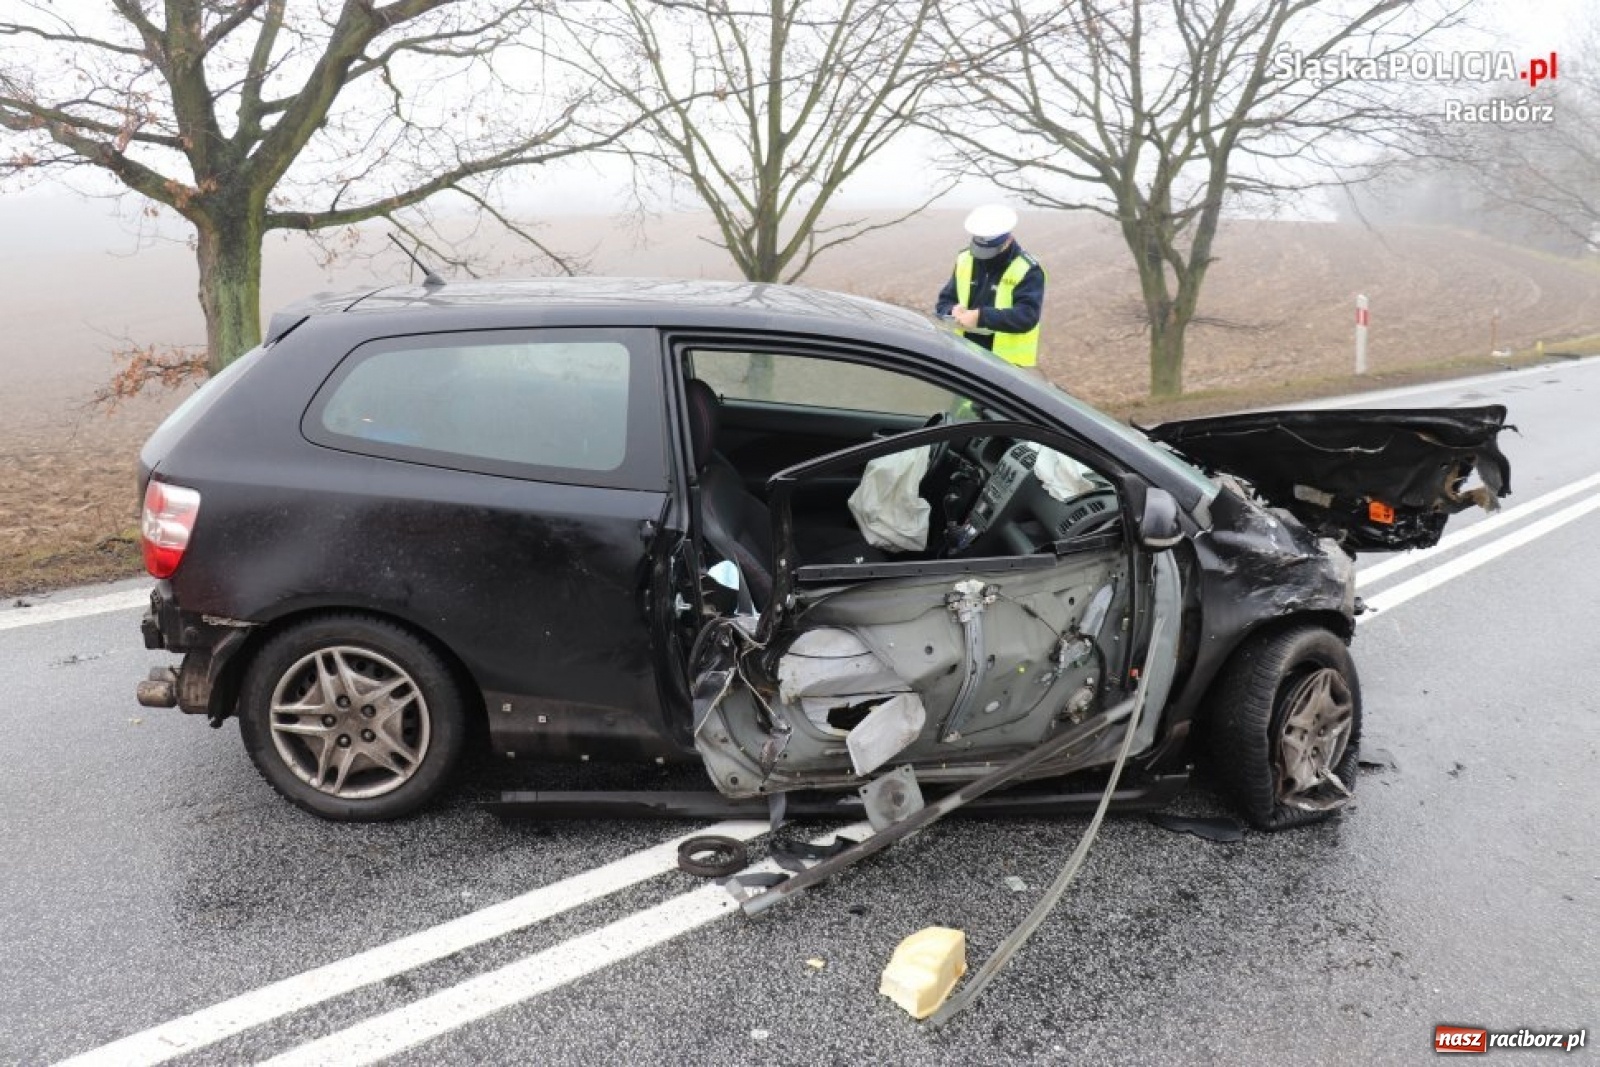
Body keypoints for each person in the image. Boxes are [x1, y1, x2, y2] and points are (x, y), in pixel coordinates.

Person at [935, 204, 1046, 368]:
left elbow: (1027, 316)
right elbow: (944, 302)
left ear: (1008, 240)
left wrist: (981, 317)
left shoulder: (1028, 269)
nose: (983, 257)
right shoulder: (966, 259)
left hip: (1005, 367)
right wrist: (951, 311)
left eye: (990, 250)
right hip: (964, 356)